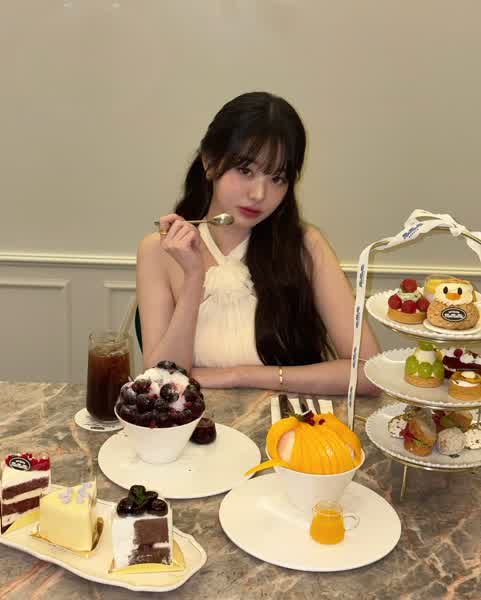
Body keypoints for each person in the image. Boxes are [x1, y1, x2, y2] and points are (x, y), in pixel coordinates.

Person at [136, 91, 379, 395]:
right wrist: (194, 276)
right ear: (210, 162)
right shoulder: (158, 251)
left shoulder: (306, 245)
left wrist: (239, 376)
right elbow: (159, 382)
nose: (259, 195)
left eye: (277, 178)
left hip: (287, 421)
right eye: (245, 171)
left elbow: (369, 372)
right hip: (193, 422)